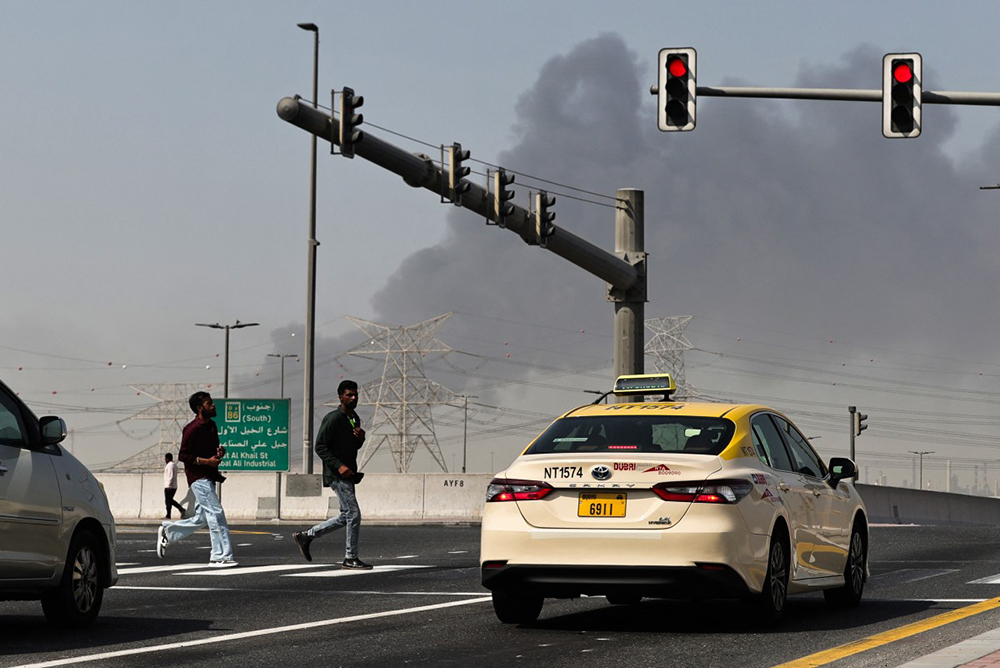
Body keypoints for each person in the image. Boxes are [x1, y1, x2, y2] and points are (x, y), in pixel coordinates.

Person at [293, 380, 372, 569]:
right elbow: (320, 446)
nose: (353, 398)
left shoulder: (354, 419)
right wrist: (339, 466)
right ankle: (350, 557)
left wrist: (361, 440)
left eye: (355, 395)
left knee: (347, 515)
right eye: (349, 395)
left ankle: (306, 536)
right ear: (340, 397)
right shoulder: (334, 418)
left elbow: (351, 445)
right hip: (337, 474)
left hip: (349, 473)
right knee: (353, 513)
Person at [156, 391, 237, 567]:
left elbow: (214, 448)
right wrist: (206, 461)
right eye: (209, 403)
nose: (213, 405)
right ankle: (220, 556)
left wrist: (219, 453)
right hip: (198, 478)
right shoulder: (192, 429)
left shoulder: (212, 426)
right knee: (216, 513)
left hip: (209, 476)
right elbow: (183, 455)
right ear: (200, 408)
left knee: (203, 518)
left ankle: (168, 532)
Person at [162, 453, 186, 519]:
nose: (165, 460)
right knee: (169, 500)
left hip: (170, 486)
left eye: (165, 458)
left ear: (167, 458)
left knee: (168, 501)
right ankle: (181, 509)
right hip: (172, 486)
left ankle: (168, 515)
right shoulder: (174, 465)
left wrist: (169, 485)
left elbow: (170, 476)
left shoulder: (170, 466)